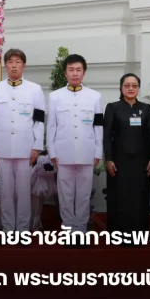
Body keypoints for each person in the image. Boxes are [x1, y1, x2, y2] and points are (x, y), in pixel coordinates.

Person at [47, 54, 103, 245]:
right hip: (63, 152)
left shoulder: (94, 96)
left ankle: (80, 230)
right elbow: (51, 126)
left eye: (78, 70)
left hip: (87, 152)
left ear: (84, 73)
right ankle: (68, 229)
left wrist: (98, 151)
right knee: (66, 194)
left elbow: (98, 126)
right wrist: (52, 152)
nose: (75, 73)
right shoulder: (55, 97)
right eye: (71, 70)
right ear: (65, 73)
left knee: (84, 194)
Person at [0, 49, 45, 232]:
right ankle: (8, 229)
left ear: (23, 65)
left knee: (23, 192)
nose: (14, 65)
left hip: (25, 148)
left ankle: (23, 230)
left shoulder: (35, 89)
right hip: (2, 147)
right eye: (10, 62)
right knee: (5, 192)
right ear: (5, 65)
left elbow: (39, 120)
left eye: (17, 62)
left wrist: (37, 145)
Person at [103, 73, 150, 242]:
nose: (131, 88)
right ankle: (118, 234)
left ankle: (138, 235)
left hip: (141, 162)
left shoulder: (147, 109)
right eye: (127, 85)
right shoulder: (113, 107)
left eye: (134, 85)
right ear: (121, 88)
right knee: (120, 197)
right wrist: (108, 159)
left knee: (139, 197)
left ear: (138, 88)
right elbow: (106, 136)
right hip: (118, 161)